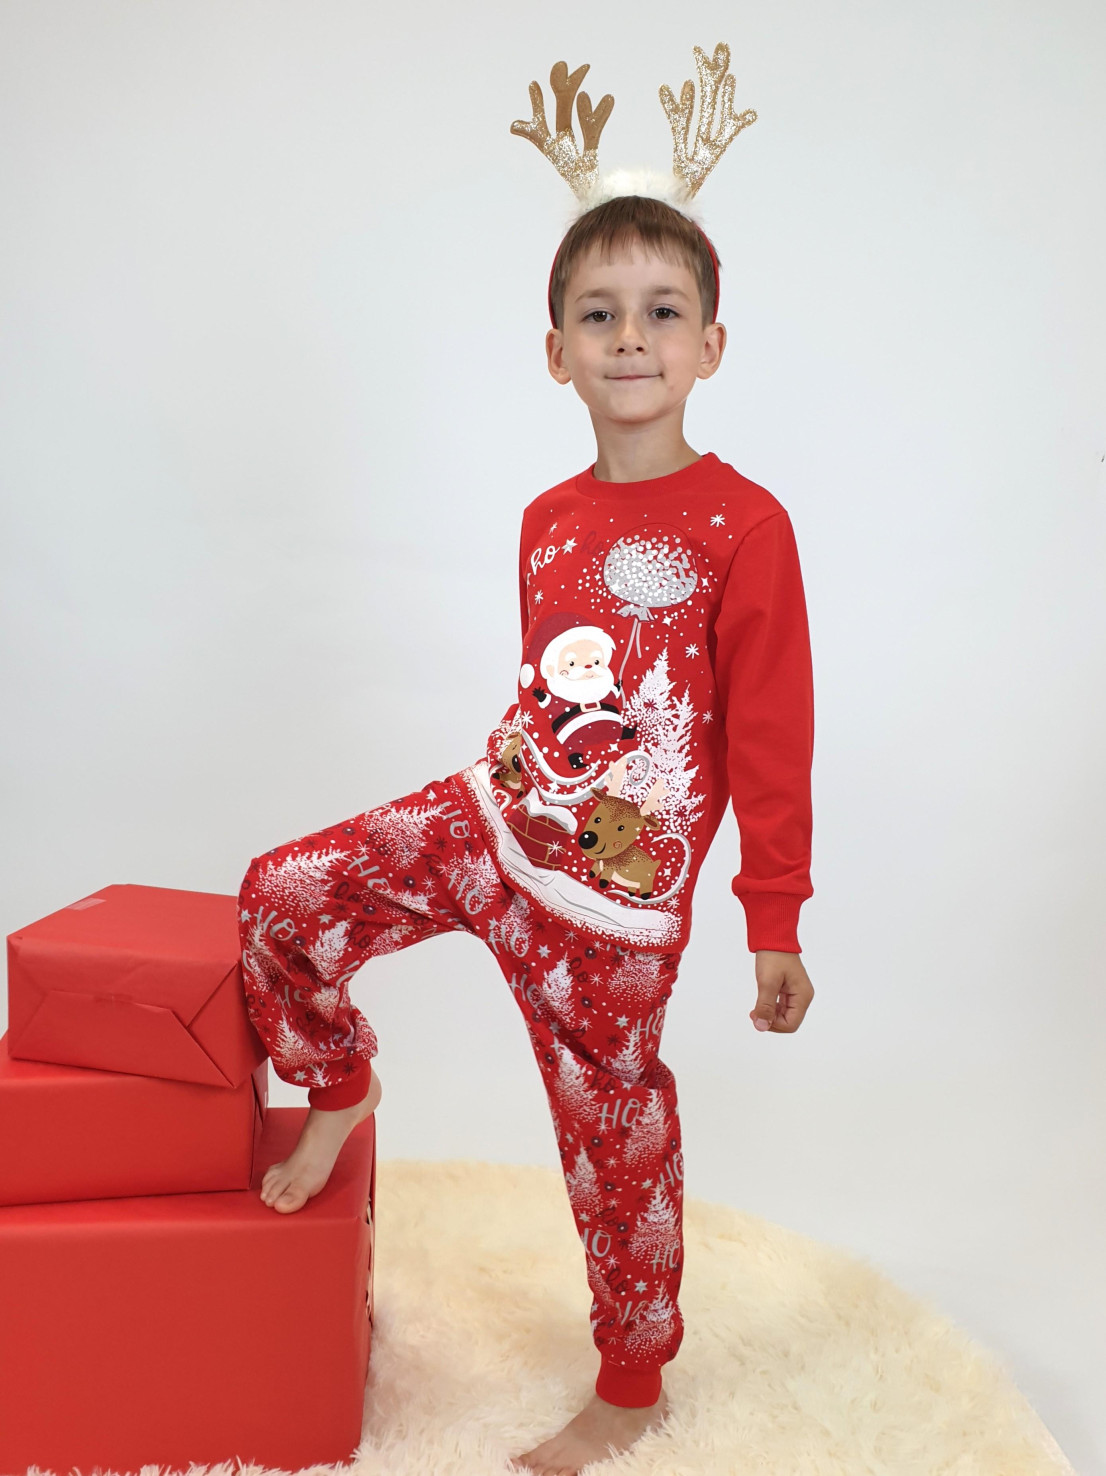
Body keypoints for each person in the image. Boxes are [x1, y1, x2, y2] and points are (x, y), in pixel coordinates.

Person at [237, 178, 815, 1476]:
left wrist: (771, 915)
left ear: (711, 345)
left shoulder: (746, 527)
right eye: (599, 314)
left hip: (614, 908)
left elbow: (772, 736)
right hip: (495, 826)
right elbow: (553, 693)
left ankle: (631, 1382)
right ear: (556, 352)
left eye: (662, 312)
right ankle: (338, 1080)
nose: (630, 337)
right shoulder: (546, 520)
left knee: (615, 1142)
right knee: (284, 892)